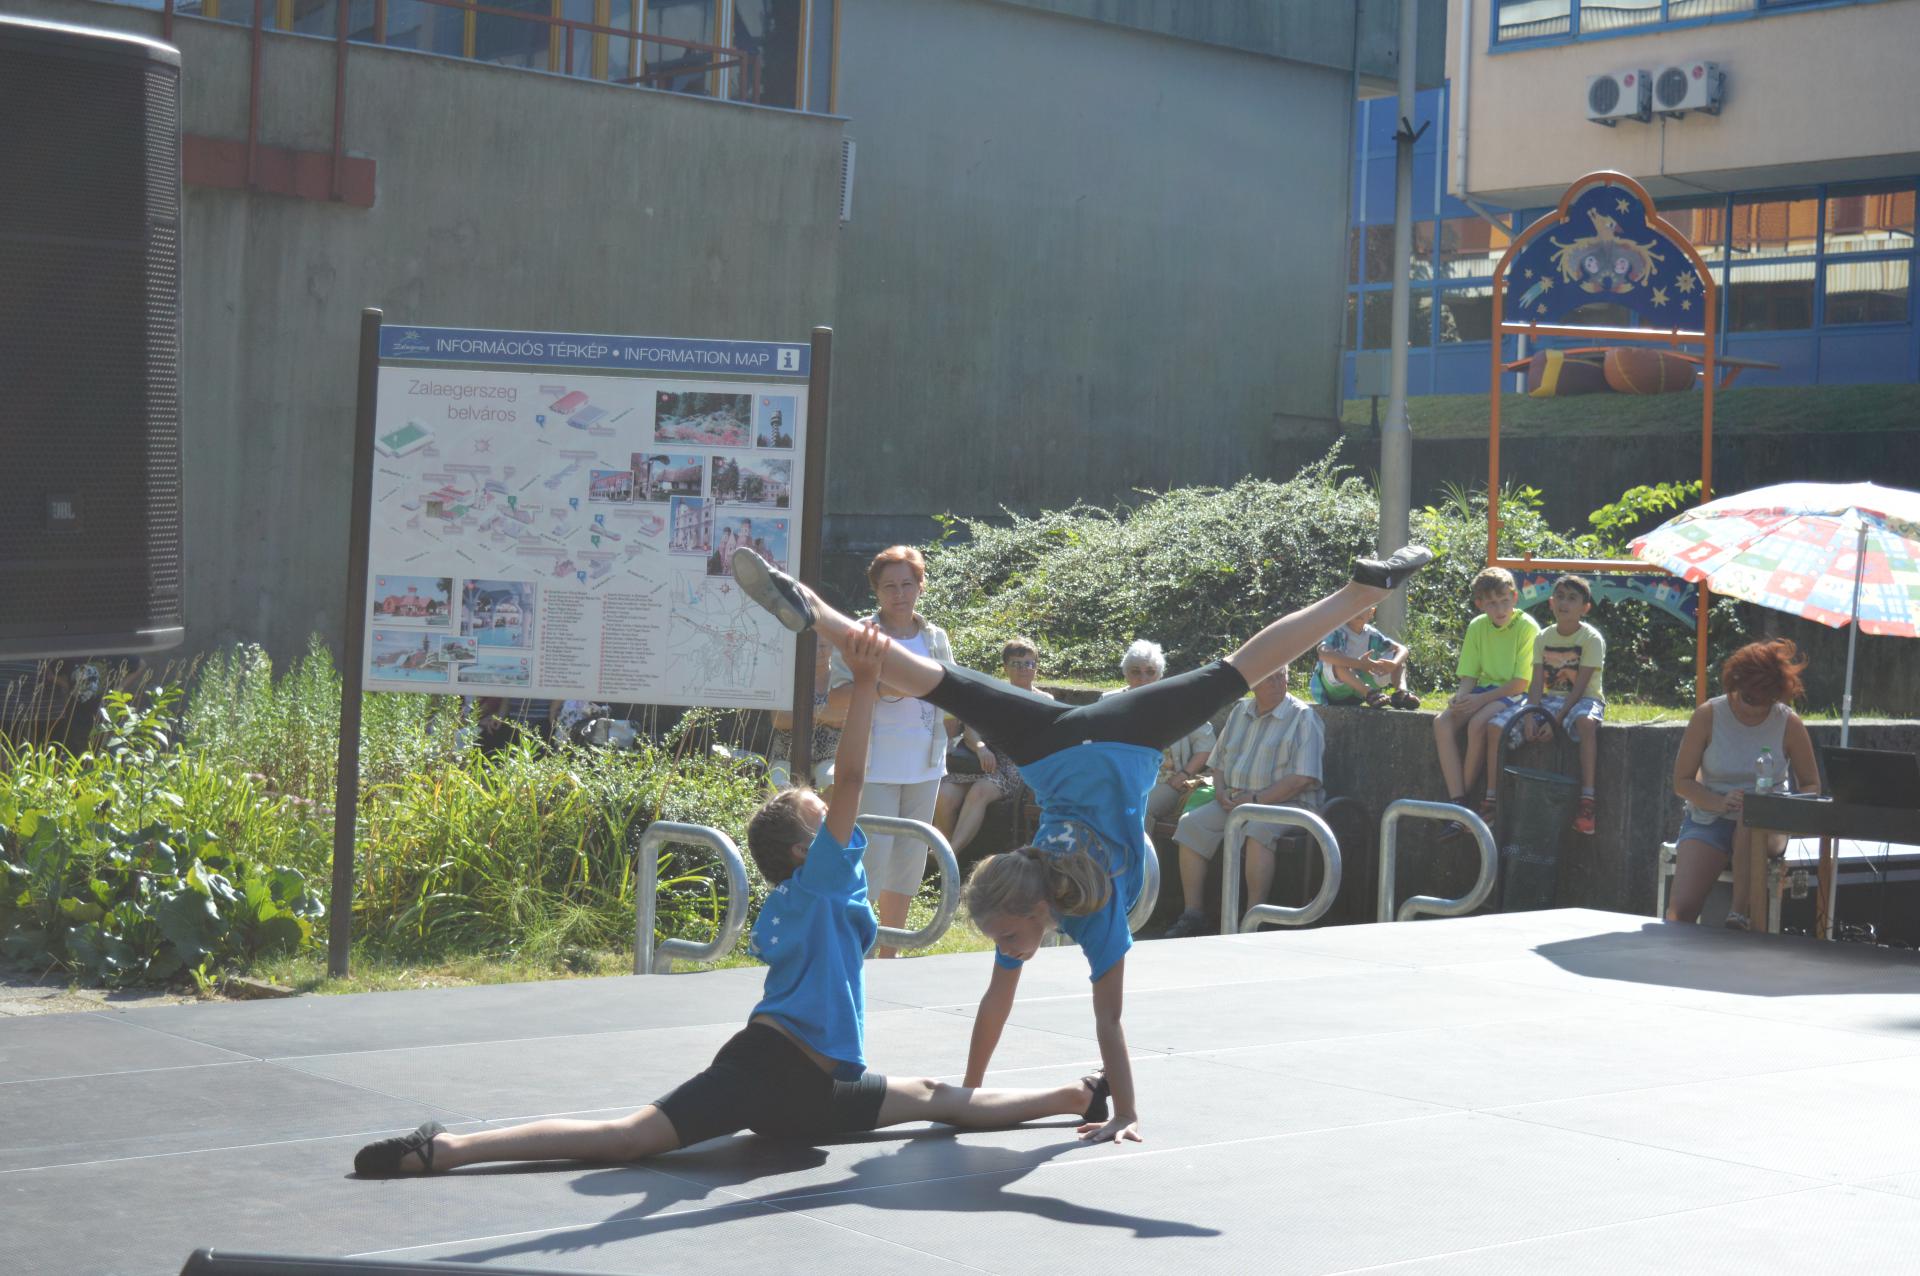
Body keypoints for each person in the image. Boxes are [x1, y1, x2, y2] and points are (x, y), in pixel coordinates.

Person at [732, 540, 1433, 1142]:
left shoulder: (1090, 917)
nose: (1009, 949)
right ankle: (817, 612)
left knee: (1234, 672)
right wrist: (965, 1098)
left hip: (1121, 737)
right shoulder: (1028, 889)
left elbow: (1106, 1024)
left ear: (1034, 908)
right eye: (1006, 942)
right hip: (1056, 741)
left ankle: (1360, 591)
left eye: (1008, 939)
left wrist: (1121, 1110)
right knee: (942, 684)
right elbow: (1029, 1010)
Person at [353, 623, 1108, 1178]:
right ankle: (446, 1148)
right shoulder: (819, 883)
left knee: (941, 1096)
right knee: (627, 1140)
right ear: (803, 851)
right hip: (766, 1070)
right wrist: (866, 684)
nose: (836, 815)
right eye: (821, 817)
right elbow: (849, 778)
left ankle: (1077, 1095)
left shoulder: (811, 890)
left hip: (820, 1092)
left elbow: (838, 796)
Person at [827, 546, 953, 958]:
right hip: (873, 766)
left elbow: (950, 690)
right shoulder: (859, 634)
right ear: (876, 591)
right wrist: (885, 688)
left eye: (907, 584)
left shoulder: (935, 637)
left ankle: (891, 954)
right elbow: (837, 697)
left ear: (920, 586)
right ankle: (859, 951)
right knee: (872, 861)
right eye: (890, 586)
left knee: (909, 864)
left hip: (925, 766)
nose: (899, 594)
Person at [1159, 666, 1326, 940]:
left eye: (1282, 676)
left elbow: (1302, 778)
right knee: (1191, 824)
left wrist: (1257, 800)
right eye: (1270, 676)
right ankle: (1193, 914)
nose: (1278, 682)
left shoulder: (1303, 717)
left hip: (1288, 804)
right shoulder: (1240, 712)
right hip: (1236, 800)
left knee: (1258, 830)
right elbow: (1219, 763)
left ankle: (1253, 920)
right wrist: (1220, 792)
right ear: (1254, 682)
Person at [1665, 639, 1821, 931]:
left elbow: (1812, 785)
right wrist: (1719, 803)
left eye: (1766, 701)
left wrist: (1780, 809)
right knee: (1680, 911)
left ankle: (1738, 914)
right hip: (1710, 817)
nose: (1755, 708)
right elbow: (1682, 782)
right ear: (1733, 684)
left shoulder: (1789, 722)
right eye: (1748, 698)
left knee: (1751, 817)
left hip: (1767, 824)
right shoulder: (1708, 714)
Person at [1496, 574, 1606, 835]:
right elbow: (1536, 683)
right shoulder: (1543, 637)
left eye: (1572, 598)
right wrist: (1529, 716)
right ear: (1551, 602)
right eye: (1560, 597)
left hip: (1583, 698)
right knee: (1500, 726)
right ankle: (1496, 799)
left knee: (1586, 723)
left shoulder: (1591, 639)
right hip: (1548, 699)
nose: (1564, 603)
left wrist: (1555, 721)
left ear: (1585, 607)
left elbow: (1580, 686)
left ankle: (1587, 800)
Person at [1432, 566, 1539, 827]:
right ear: (1480, 604)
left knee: (1478, 723)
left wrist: (1480, 700)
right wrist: (1460, 697)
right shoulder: (1477, 626)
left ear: (1514, 597)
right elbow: (1469, 675)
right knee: (1442, 722)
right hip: (1485, 690)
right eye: (1492, 603)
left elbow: (1521, 683)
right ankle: (1458, 799)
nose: (1500, 609)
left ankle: (1461, 804)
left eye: (1504, 601)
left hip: (1515, 693)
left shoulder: (1527, 627)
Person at [934, 637, 1050, 857]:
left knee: (979, 792)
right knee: (944, 795)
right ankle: (948, 859)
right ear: (1005, 667)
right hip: (981, 762)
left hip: (1016, 768)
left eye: (1029, 663)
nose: (1024, 669)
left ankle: (948, 855)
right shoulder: (992, 695)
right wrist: (981, 748)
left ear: (1036, 667)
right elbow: (971, 730)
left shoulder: (1045, 701)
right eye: (1016, 663)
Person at [1111, 640, 1213, 824]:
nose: (1143, 678)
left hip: (1165, 782)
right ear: (1126, 674)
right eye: (1136, 671)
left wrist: (1184, 774)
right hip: (1120, 780)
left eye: (1150, 672)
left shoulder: (1180, 704)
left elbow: (1206, 745)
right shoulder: (1109, 702)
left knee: (1138, 810)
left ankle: (1138, 845)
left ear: (1159, 674)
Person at [1309, 604, 1419, 710]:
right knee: (1336, 661)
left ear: (1371, 612)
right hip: (1336, 691)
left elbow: (1402, 649)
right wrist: (1358, 664)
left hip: (1359, 692)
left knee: (1398, 658)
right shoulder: (1337, 631)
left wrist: (1394, 663)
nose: (1359, 611)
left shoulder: (1372, 634)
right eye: (1354, 607)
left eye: (1364, 607)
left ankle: (1401, 694)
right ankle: (1370, 694)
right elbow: (1323, 652)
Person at [769, 639, 845, 788]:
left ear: (832, 647)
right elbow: (778, 720)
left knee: (833, 785)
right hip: (786, 757)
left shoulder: (840, 679)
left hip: (829, 759)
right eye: (812, 645)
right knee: (780, 789)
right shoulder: (788, 677)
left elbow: (843, 719)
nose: (817, 651)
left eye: (823, 645)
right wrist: (821, 713)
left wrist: (798, 715)